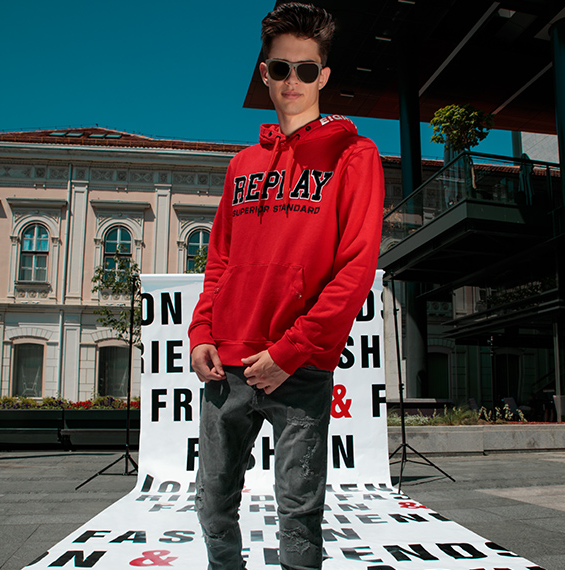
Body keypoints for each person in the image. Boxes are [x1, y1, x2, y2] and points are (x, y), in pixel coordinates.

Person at [189, 3, 385, 568]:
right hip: (226, 366)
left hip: (299, 369)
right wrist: (201, 333)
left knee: (299, 514)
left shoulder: (355, 157)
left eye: (305, 69)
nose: (292, 80)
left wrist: (291, 351)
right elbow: (220, 262)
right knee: (212, 504)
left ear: (324, 76)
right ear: (264, 74)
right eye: (280, 69)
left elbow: (354, 270)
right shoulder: (242, 165)